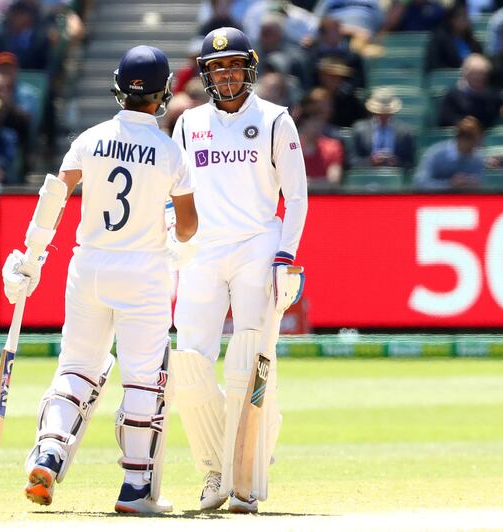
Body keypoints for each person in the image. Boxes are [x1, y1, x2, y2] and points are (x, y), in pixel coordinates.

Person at [1, 45, 197, 514]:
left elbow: (56, 192)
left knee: (78, 367)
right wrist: (174, 236)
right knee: (144, 379)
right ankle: (134, 489)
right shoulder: (170, 152)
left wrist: (32, 256)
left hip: (88, 267)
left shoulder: (90, 139)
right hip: (144, 272)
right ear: (163, 93)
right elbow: (189, 226)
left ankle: (49, 453)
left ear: (117, 87)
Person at [170, 27, 307, 514]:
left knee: (252, 361)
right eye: (216, 68)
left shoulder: (275, 121)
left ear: (249, 68)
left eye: (233, 67)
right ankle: (214, 469)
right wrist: (175, 241)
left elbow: (296, 196)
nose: (225, 76)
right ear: (205, 74)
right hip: (203, 251)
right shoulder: (187, 123)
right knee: (187, 363)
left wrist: (286, 257)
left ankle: (247, 475)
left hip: (257, 247)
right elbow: (178, 191)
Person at [438, 53, 503, 129]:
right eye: (475, 74)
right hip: (464, 138)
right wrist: (463, 124)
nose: (479, 78)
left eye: (483, 74)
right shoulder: (453, 96)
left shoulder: (492, 95)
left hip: (487, 140)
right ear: (466, 74)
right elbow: (445, 119)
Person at [350, 87, 416, 170]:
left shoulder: (405, 132)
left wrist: (397, 163)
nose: (384, 116)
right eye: (380, 113)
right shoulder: (359, 130)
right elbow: (352, 162)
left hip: (395, 179)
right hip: (367, 177)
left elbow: (411, 164)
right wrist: (370, 161)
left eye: (387, 113)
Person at [414, 115, 485, 189]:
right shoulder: (435, 154)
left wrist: (472, 185)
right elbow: (420, 183)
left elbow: (481, 184)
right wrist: (449, 185)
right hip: (436, 200)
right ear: (461, 139)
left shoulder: (477, 159)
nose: (474, 147)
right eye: (472, 143)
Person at [425, 4, 483, 72]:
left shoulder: (473, 41)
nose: (466, 19)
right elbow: (435, 64)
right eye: (462, 16)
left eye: (466, 16)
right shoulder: (439, 40)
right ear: (452, 19)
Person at [297, 108, 343, 185]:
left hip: (324, 196)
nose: (317, 126)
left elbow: (334, 180)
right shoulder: (290, 148)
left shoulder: (332, 147)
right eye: (312, 121)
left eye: (318, 121)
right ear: (302, 124)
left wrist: (306, 184)